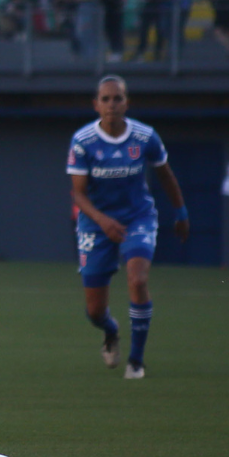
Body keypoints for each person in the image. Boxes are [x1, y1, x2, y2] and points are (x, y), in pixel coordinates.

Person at [67, 75, 189, 380]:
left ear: (127, 102)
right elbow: (78, 193)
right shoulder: (83, 141)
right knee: (95, 311)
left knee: (137, 279)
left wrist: (181, 212)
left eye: (117, 98)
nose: (112, 104)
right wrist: (103, 221)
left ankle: (136, 361)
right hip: (96, 224)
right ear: (95, 104)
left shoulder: (145, 137)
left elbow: (165, 176)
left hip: (138, 218)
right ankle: (111, 331)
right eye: (105, 99)